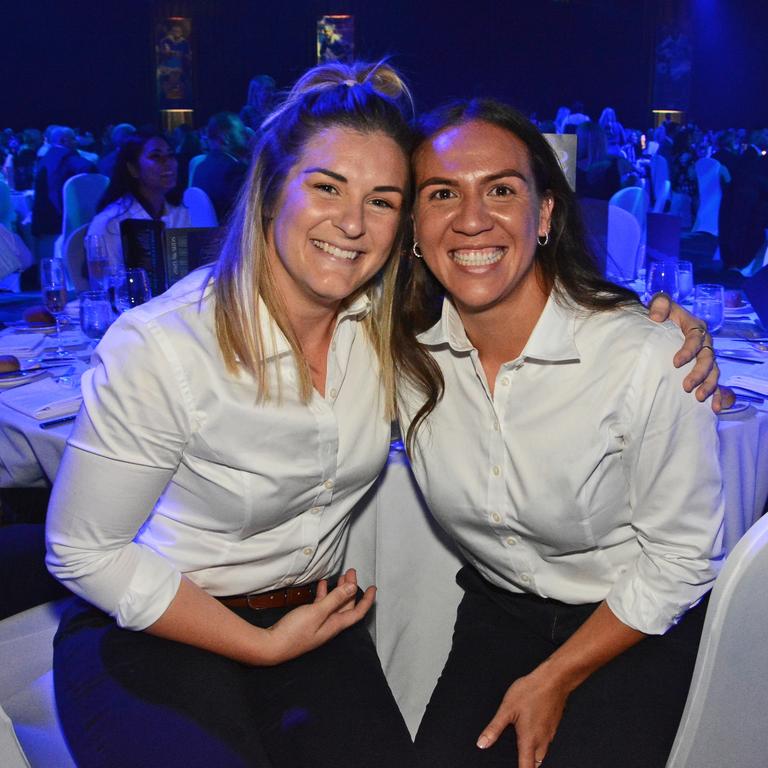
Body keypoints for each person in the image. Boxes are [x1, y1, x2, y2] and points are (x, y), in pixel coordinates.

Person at [45, 60, 416, 768]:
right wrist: (261, 645)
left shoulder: (388, 329)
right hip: (156, 627)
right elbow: (81, 549)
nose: (352, 222)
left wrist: (657, 326)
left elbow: (520, 318)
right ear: (273, 192)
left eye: (383, 200)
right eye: (327, 186)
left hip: (310, 620)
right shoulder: (168, 345)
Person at [393, 99, 724, 768]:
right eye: (441, 194)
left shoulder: (641, 359)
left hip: (633, 624)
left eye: (502, 190)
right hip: (499, 616)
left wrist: (555, 676)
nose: (472, 218)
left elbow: (684, 559)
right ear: (414, 228)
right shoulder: (403, 357)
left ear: (544, 214)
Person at [87, 132, 190, 272]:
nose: (168, 163)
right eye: (156, 156)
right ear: (133, 169)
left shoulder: (179, 212)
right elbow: (107, 284)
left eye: (171, 155)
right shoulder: (110, 222)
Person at [193, 112, 250, 222]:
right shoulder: (235, 169)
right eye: (242, 133)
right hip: (232, 237)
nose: (246, 137)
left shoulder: (199, 168)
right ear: (226, 137)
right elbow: (249, 214)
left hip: (205, 236)